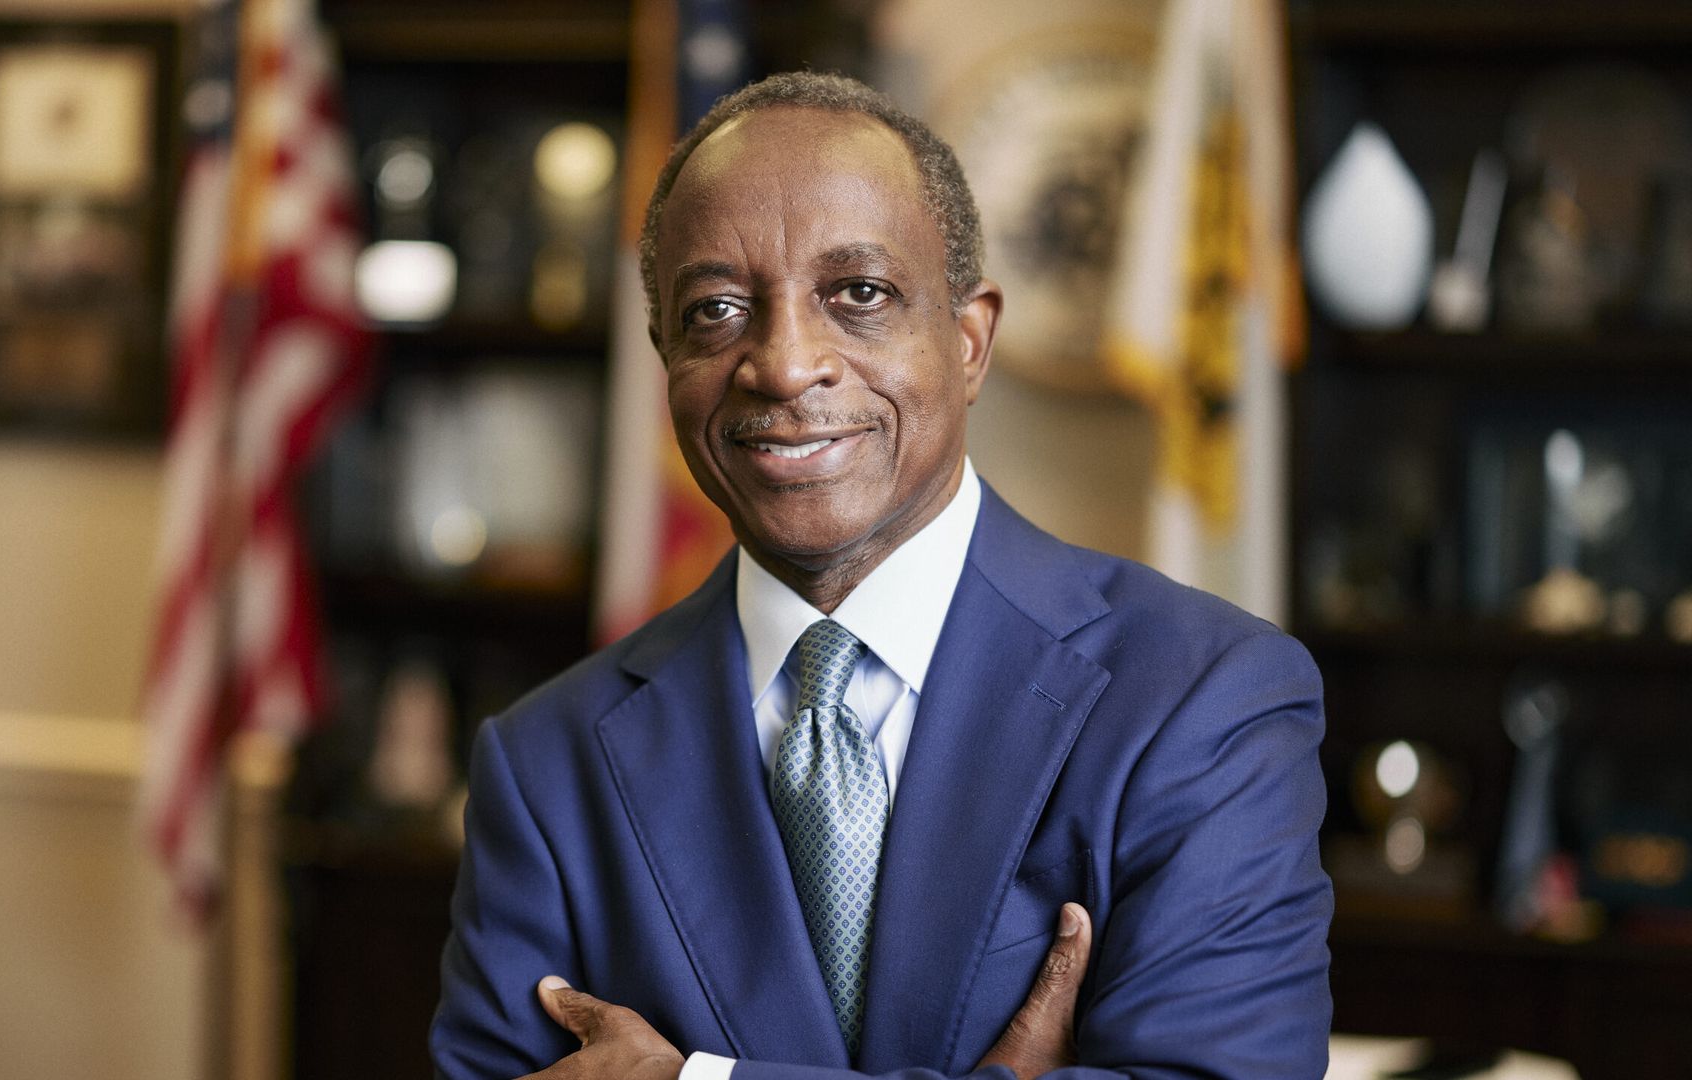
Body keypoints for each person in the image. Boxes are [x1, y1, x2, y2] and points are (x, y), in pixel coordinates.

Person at [430, 72, 1332, 1080]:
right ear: (664, 361)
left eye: (858, 295)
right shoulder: (546, 767)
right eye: (716, 310)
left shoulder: (1204, 697)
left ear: (969, 338)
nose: (781, 363)